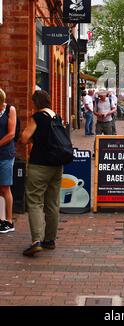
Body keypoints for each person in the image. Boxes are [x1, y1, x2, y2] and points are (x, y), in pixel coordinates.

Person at [20, 90, 63, 256]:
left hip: (39, 165)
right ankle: (50, 240)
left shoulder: (37, 117)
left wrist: (32, 138)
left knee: (35, 201)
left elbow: (24, 138)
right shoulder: (56, 116)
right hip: (57, 165)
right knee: (52, 202)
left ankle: (36, 240)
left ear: (35, 103)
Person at [0, 88, 16, 234]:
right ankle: (1, 218)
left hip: (5, 154)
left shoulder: (10, 109)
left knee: (5, 187)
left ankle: (9, 221)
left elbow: (11, 134)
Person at [93, 88, 117, 157]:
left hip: (108, 122)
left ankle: (109, 152)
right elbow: (94, 111)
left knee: (108, 138)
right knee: (97, 137)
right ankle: (96, 152)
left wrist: (108, 113)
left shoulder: (110, 100)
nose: (101, 97)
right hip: (99, 122)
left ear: (105, 95)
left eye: (102, 96)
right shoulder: (97, 101)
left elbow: (114, 109)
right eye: (100, 95)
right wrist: (98, 114)